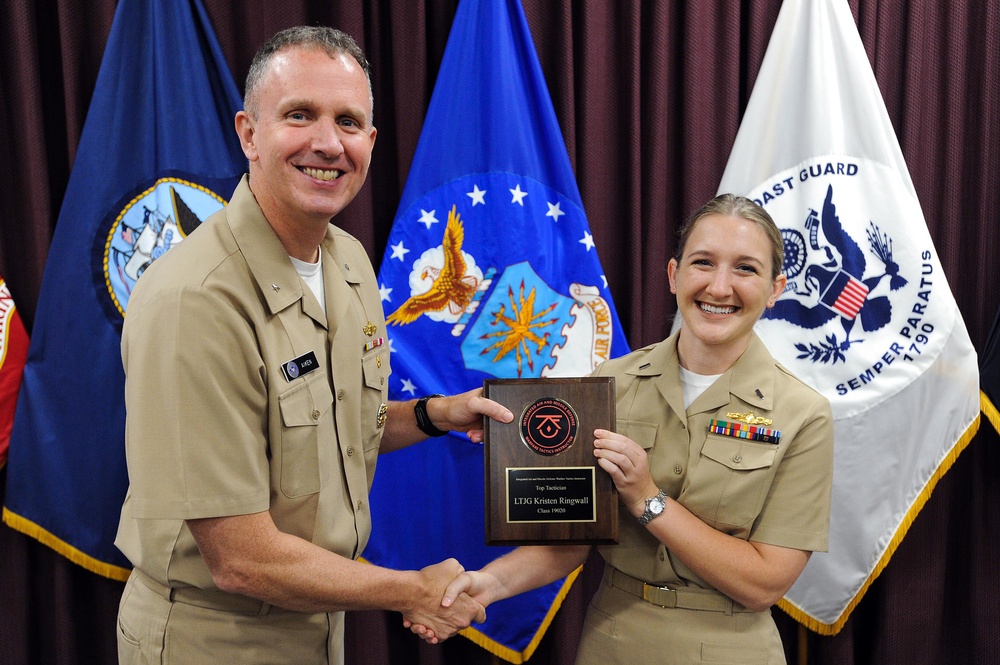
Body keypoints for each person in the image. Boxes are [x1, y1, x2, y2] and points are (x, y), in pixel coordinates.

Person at [114, 26, 513, 665]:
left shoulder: (347, 261)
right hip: (214, 637)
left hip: (319, 623)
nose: (328, 144)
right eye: (300, 115)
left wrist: (436, 416)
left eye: (349, 122)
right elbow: (241, 560)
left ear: (371, 143)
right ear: (248, 133)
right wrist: (413, 591)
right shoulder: (198, 301)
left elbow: (334, 429)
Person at [412, 194, 834, 664]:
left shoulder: (803, 415)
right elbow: (569, 542)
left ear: (776, 288)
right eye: (703, 263)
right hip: (612, 642)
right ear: (674, 275)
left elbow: (763, 584)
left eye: (745, 269)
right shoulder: (605, 385)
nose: (719, 286)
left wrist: (647, 500)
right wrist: (486, 585)